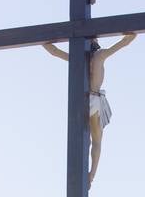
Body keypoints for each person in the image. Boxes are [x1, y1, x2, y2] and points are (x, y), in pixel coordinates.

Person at [42, 33, 137, 187]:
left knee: (85, 141)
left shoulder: (77, 57)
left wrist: (46, 35)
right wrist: (125, 30)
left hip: (81, 101)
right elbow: (127, 40)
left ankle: (84, 173)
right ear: (95, 41)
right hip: (95, 100)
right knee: (97, 141)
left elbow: (52, 50)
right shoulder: (100, 55)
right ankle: (91, 175)